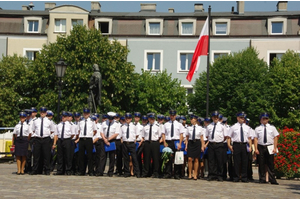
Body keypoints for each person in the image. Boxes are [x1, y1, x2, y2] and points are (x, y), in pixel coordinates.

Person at [227, 111, 252, 182]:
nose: (242, 119)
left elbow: (249, 138)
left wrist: (250, 146)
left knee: (245, 162)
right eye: (241, 117)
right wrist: (229, 145)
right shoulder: (233, 127)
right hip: (236, 145)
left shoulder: (247, 127)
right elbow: (229, 137)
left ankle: (244, 177)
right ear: (237, 118)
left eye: (243, 118)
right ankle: (236, 177)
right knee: (236, 162)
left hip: (244, 145)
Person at [254, 112, 279, 185]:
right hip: (261, 146)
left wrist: (275, 147)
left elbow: (275, 137)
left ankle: (272, 179)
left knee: (270, 163)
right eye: (263, 118)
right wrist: (256, 149)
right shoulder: (258, 128)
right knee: (261, 163)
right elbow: (255, 139)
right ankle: (262, 178)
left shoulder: (272, 127)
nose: (265, 120)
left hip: (269, 146)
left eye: (266, 119)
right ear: (260, 119)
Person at [30, 107, 55, 175]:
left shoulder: (49, 122)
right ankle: (35, 169)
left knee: (46, 155)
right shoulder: (36, 121)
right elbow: (33, 130)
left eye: (43, 112)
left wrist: (46, 134)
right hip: (38, 139)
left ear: (46, 113)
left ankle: (47, 170)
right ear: (39, 113)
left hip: (46, 139)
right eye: (41, 112)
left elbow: (52, 130)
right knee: (36, 155)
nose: (42, 113)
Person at [162, 110, 185, 180]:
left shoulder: (179, 124)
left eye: (173, 115)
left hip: (176, 141)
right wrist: (164, 142)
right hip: (169, 141)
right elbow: (163, 134)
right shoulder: (166, 124)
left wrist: (180, 144)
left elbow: (181, 135)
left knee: (177, 159)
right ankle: (168, 173)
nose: (172, 116)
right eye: (171, 115)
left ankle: (177, 174)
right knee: (168, 158)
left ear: (175, 115)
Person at [206, 111, 227, 181]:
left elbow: (225, 136)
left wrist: (220, 141)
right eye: (214, 117)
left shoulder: (222, 126)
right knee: (211, 160)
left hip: (219, 144)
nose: (216, 118)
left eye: (217, 117)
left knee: (219, 160)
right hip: (211, 144)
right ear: (212, 118)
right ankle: (211, 174)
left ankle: (220, 175)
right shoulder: (209, 126)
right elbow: (207, 135)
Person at [53, 111, 75, 175]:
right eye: (62, 116)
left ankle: (68, 170)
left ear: (68, 117)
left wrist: (67, 138)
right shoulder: (59, 125)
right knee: (60, 156)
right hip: (60, 140)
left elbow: (73, 134)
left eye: (65, 116)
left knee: (68, 156)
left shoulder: (70, 125)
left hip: (67, 140)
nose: (63, 117)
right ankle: (60, 170)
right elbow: (56, 134)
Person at [77, 108, 97, 176]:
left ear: (89, 114)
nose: (85, 115)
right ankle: (81, 171)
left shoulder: (92, 121)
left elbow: (95, 130)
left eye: (87, 114)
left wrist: (90, 135)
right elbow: (79, 130)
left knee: (90, 156)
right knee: (81, 156)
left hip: (88, 139)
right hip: (82, 139)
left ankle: (91, 171)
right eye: (84, 113)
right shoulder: (80, 121)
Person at [120, 113, 140, 178]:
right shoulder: (122, 126)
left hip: (131, 143)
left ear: (131, 119)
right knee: (126, 159)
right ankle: (126, 172)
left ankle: (137, 172)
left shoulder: (134, 126)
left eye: (129, 118)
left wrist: (134, 140)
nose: (127, 119)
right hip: (125, 143)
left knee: (134, 158)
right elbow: (121, 135)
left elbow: (137, 134)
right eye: (126, 118)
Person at [185, 114, 205, 180]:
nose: (191, 120)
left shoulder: (200, 128)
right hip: (190, 143)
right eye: (190, 119)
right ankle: (190, 173)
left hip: (197, 143)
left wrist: (202, 146)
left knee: (196, 159)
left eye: (192, 119)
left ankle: (195, 174)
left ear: (195, 119)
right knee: (189, 159)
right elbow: (187, 138)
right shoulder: (188, 128)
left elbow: (202, 138)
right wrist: (186, 145)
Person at [100, 112, 120, 177]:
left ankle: (110, 171)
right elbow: (101, 132)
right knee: (103, 157)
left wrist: (108, 139)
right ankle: (101, 171)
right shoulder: (104, 123)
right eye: (109, 118)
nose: (110, 120)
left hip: (112, 140)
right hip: (104, 140)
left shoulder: (116, 124)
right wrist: (105, 139)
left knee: (112, 157)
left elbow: (116, 133)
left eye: (111, 119)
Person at [142, 113, 161, 178]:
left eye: (152, 118)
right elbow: (143, 136)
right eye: (150, 118)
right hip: (147, 143)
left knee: (155, 158)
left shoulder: (158, 126)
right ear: (148, 119)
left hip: (155, 143)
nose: (151, 120)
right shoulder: (145, 127)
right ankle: (146, 172)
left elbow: (159, 136)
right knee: (146, 158)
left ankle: (156, 173)